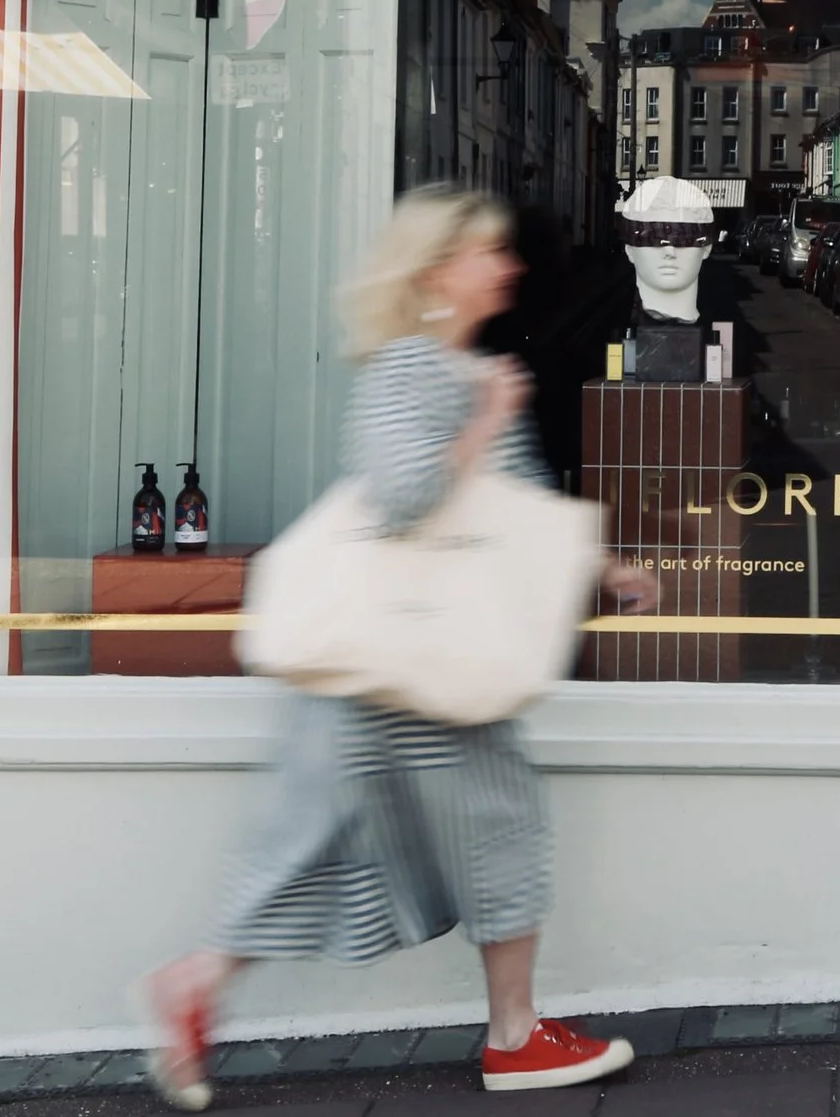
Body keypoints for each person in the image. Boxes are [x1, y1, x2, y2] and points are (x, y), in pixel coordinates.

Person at [140, 188, 661, 1104]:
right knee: (499, 827)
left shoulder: (462, 367)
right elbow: (402, 495)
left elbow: (509, 511)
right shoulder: (415, 370)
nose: (508, 266)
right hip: (417, 664)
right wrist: (486, 418)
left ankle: (198, 984)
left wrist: (605, 566)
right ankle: (514, 1037)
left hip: (403, 663)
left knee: (317, 842)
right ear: (436, 271)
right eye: (488, 251)